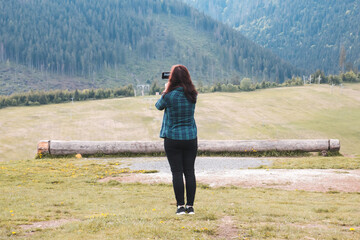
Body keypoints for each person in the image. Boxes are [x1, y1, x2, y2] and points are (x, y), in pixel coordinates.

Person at [155, 65, 198, 215]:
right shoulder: (193, 95)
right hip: (190, 137)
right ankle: (190, 206)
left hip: (172, 138)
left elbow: (158, 106)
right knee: (190, 172)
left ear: (172, 78)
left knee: (177, 172)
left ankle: (180, 206)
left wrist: (166, 90)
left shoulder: (169, 96)